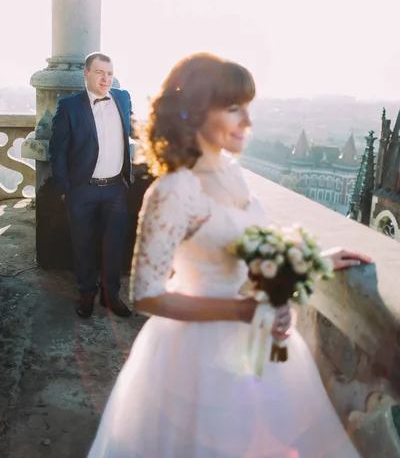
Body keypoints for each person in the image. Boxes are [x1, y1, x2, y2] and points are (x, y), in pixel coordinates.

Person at [87, 53, 372, 457]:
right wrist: (239, 310)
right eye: (235, 108)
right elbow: (146, 295)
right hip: (196, 357)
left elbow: (248, 248)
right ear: (196, 112)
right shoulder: (173, 191)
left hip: (257, 351)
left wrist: (311, 263)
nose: (248, 123)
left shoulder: (231, 171)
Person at [49, 52, 133, 319]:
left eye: (109, 73)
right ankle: (86, 292)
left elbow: (133, 129)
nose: (106, 78)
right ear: (86, 74)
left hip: (115, 189)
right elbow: (58, 150)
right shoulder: (69, 106)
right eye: (99, 72)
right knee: (82, 243)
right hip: (82, 189)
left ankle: (111, 295)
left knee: (114, 244)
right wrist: (64, 188)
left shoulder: (123, 98)